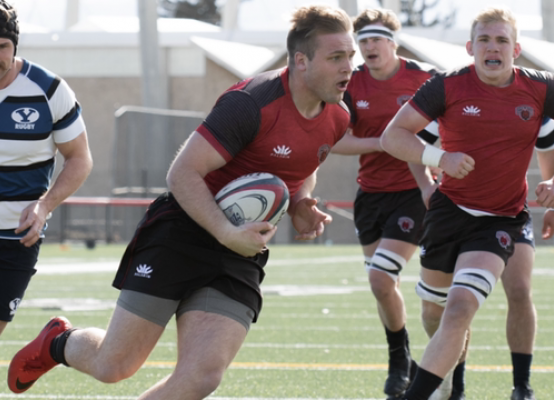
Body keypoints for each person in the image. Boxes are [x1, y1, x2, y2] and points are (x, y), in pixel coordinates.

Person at [8, 5, 354, 399]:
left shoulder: (338, 117)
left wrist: (300, 202)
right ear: (301, 61)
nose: (349, 68)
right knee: (114, 365)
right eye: (336, 57)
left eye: (351, 57)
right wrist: (225, 230)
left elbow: (304, 163)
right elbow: (182, 173)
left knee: (202, 376)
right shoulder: (251, 103)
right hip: (183, 230)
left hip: (239, 249)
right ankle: (58, 342)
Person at [380, 6, 554, 400]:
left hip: (501, 219)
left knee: (464, 307)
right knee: (435, 312)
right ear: (470, 47)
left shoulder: (543, 89)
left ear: (517, 49)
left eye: (501, 40)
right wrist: (440, 159)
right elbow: (393, 137)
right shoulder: (445, 87)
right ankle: (446, 377)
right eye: (484, 39)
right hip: (448, 213)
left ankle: (513, 386)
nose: (492, 47)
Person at [328, 8, 442, 399]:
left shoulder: (425, 77)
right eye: (362, 41)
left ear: (393, 43)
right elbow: (335, 141)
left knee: (380, 277)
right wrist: (384, 141)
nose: (368, 47)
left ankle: (398, 360)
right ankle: (403, 357)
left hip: (414, 191)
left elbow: (454, 126)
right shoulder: (350, 83)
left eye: (375, 39)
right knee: (382, 286)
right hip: (370, 194)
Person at [419, 117, 554, 400]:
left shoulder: (532, 101)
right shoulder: (454, 95)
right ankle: (454, 386)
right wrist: (426, 182)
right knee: (448, 305)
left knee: (520, 290)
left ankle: (522, 386)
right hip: (456, 215)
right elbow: (411, 140)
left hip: (509, 214)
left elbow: (550, 153)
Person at [0, 0, 92, 339]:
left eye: (2, 47)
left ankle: (51, 347)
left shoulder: (49, 89)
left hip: (15, 237)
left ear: (15, 46)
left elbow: (80, 158)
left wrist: (45, 205)